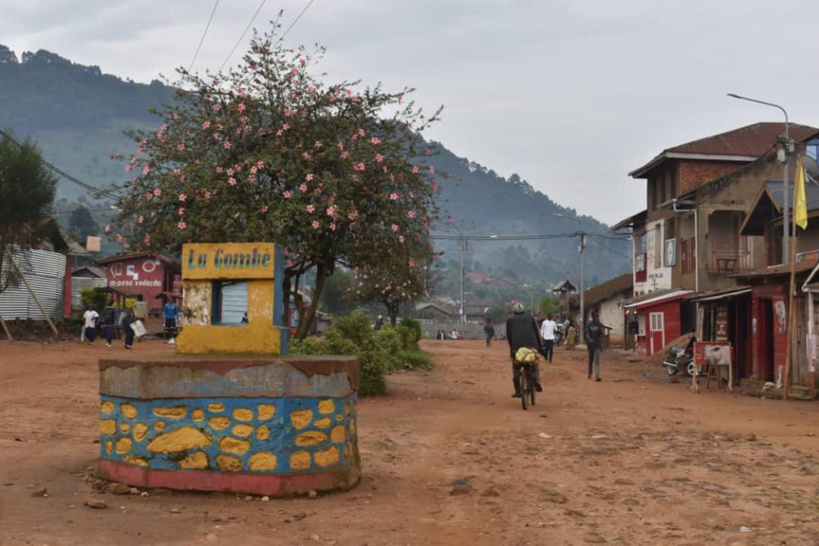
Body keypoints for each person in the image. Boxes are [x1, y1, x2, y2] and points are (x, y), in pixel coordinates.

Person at [506, 302, 545, 398]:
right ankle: (536, 380)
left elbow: (509, 337)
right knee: (534, 364)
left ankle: (518, 391)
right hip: (532, 347)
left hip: (517, 348)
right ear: (524, 311)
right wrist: (540, 349)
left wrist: (512, 350)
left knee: (516, 370)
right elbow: (537, 333)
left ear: (514, 312)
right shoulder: (530, 318)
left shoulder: (510, 321)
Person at [585, 311, 604, 381]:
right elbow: (587, 333)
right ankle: (589, 373)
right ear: (593, 317)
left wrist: (601, 345)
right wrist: (589, 339)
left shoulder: (600, 325)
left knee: (597, 360)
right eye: (596, 316)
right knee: (591, 359)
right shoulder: (589, 325)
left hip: (597, 345)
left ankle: (597, 376)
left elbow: (600, 335)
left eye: (598, 316)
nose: (597, 317)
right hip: (590, 345)